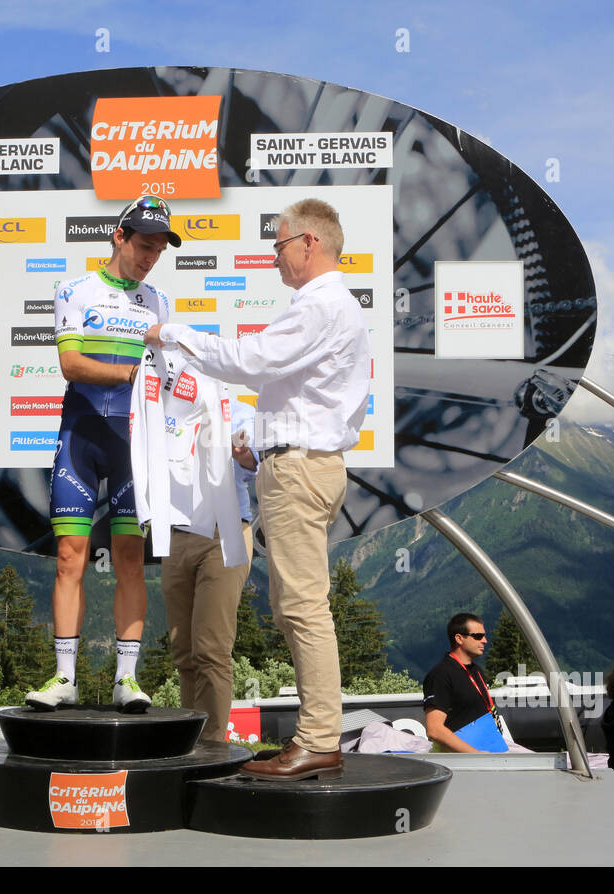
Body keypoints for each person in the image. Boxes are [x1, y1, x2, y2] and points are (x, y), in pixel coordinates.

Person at [145, 198, 370, 780]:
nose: (274, 256)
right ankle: (316, 735)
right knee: (296, 605)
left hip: (299, 471)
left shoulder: (319, 306)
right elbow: (297, 394)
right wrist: (260, 443)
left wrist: (170, 333)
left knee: (302, 607)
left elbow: (248, 360)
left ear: (309, 244)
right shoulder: (329, 306)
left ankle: (318, 738)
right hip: (295, 463)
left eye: (279, 244)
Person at [26, 197, 180, 714]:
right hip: (82, 436)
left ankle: (126, 680)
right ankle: (64, 678)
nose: (150, 257)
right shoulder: (74, 290)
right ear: (119, 236)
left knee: (130, 560)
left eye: (158, 250)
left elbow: (167, 377)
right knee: (69, 558)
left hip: (133, 446)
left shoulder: (158, 301)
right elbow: (71, 364)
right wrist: (130, 374)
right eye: (143, 246)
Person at [158, 388, 258, 745]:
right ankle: (190, 739)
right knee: (183, 650)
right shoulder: (168, 410)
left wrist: (243, 453)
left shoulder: (240, 411)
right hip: (176, 534)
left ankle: (213, 743)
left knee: (211, 648)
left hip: (224, 532)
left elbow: (255, 460)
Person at [423, 613, 509, 753]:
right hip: (461, 764)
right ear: (459, 638)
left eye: (484, 636)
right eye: (478, 636)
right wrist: (475, 755)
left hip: (488, 755)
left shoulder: (476, 670)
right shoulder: (441, 674)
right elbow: (434, 730)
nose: (485, 641)